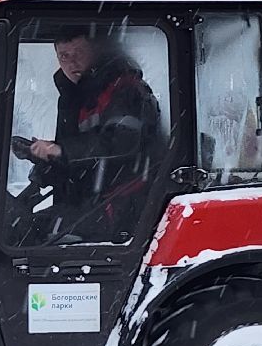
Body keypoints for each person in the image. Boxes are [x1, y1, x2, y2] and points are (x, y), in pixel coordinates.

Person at [17, 26, 162, 243]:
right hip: (93, 203)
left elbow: (121, 143)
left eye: (79, 53)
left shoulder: (126, 90)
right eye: (64, 56)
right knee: (21, 226)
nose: (71, 63)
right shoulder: (77, 96)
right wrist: (45, 163)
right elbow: (83, 162)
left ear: (96, 51)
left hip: (124, 206)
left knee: (33, 235)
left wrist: (61, 150)